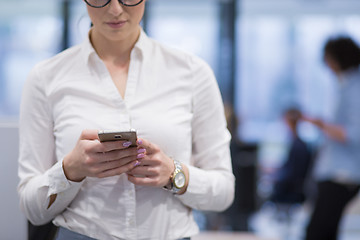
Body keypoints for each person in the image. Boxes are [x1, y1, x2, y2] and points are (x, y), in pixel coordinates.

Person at [17, 0, 235, 239]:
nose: (115, 9)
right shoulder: (46, 78)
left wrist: (174, 174)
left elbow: (224, 191)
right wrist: (70, 170)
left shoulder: (192, 72)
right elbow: (32, 208)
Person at [303, 36, 360, 240]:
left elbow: (354, 133)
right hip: (337, 172)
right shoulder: (346, 86)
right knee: (325, 231)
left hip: (343, 174)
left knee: (316, 232)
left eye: (328, 58)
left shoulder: (355, 87)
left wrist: (322, 125)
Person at [270, 107, 313, 205]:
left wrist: (276, 177)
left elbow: (291, 174)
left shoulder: (298, 146)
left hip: (290, 190)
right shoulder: (299, 144)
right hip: (293, 187)